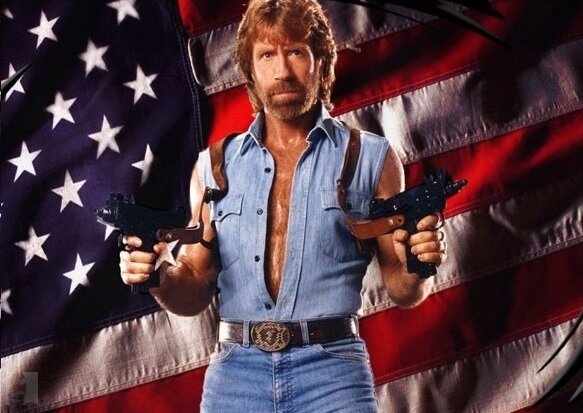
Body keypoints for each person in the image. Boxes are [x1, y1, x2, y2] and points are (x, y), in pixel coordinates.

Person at [119, 0, 446, 411]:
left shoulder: (370, 158)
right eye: (267, 55)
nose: (283, 71)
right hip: (236, 377)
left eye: (296, 52)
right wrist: (155, 275)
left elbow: (401, 287)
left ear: (321, 62)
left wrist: (419, 263)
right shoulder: (214, 166)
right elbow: (195, 287)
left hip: (332, 374)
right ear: (250, 71)